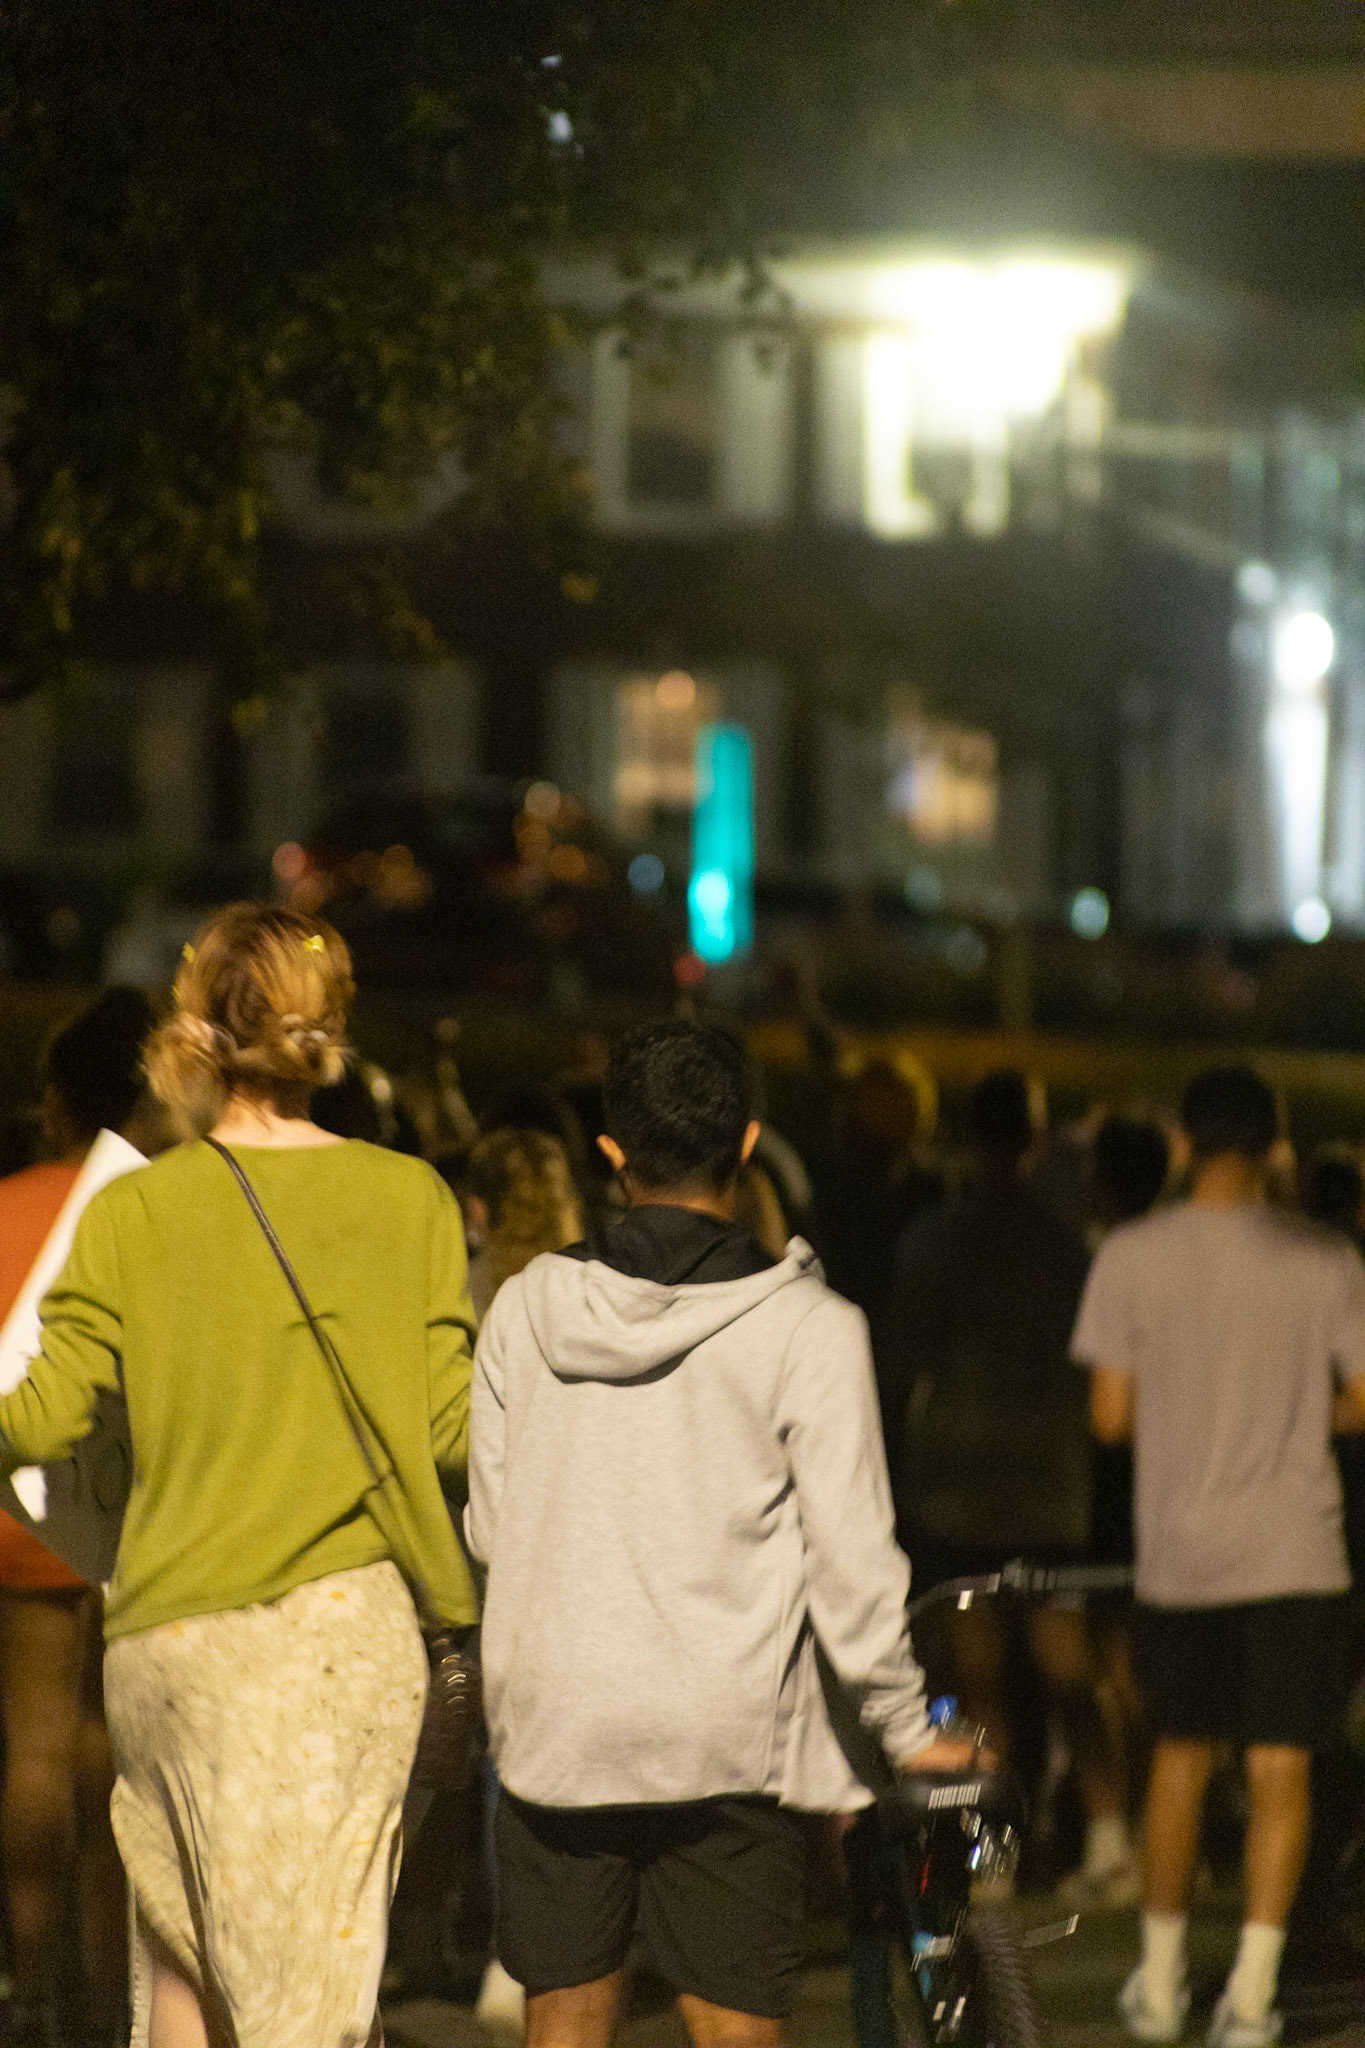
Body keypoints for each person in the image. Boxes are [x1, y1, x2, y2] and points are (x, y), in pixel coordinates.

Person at [0, 904, 478, 2048]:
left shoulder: (133, 1206)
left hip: (167, 1651)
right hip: (331, 1646)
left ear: (201, 1024)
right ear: (333, 1029)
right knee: (304, 2004)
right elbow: (454, 1433)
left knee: (182, 1972)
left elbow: (38, 1419)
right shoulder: (409, 1200)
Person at [467, 1019, 972, 2048]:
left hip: (556, 1724)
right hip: (725, 1737)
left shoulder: (522, 1309)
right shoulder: (814, 1329)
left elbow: (491, 1523)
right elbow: (853, 1559)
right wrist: (906, 1725)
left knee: (561, 2027)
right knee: (736, 2031)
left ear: (610, 1157)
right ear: (747, 1145)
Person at [1074, 1065, 1365, 2047]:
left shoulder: (1131, 1253)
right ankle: (1249, 1996)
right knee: (1284, 1770)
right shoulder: (1325, 1256)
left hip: (1182, 1555)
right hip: (1297, 1550)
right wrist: (1293, 1413)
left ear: (1186, 1139)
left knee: (1179, 1762)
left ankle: (1157, 1989)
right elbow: (1362, 1399)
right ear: (1276, 1145)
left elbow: (1109, 1415)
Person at [879, 1072, 1129, 1894]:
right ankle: (1107, 1835)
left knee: (976, 1673)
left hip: (957, 1480)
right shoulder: (1069, 1247)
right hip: (1051, 1482)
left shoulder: (932, 1239)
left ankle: (991, 1855)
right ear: (1034, 1134)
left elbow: (899, 1364)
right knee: (1068, 1668)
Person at [0, 986, 153, 2048]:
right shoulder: (160, 1201)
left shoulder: (8, 1204)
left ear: (57, 1103)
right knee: (119, 1761)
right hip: (143, 1508)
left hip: (22, 1502)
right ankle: (110, 2003)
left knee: (36, 1746)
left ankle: (32, 1981)